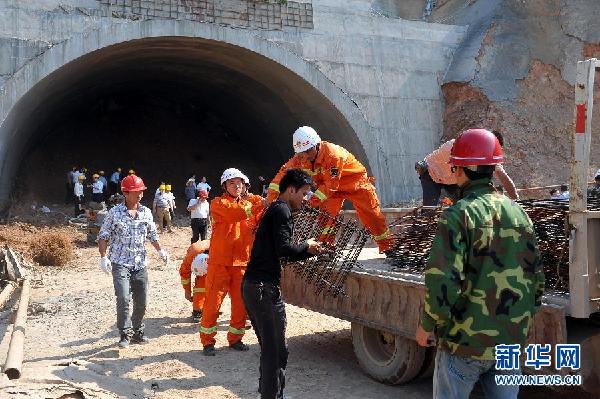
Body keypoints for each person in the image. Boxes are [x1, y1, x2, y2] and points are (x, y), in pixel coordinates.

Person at [415, 128, 544, 399]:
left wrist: (427, 325)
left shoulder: (458, 215)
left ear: (459, 170)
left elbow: (443, 281)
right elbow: (537, 279)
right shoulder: (519, 213)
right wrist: (520, 322)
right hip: (509, 341)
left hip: (464, 344)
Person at [243, 169, 323, 399]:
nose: (306, 198)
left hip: (258, 287)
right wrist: (308, 246)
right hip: (262, 289)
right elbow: (284, 249)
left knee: (276, 349)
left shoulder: (277, 209)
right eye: (305, 193)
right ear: (291, 190)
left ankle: (271, 393)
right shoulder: (282, 210)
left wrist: (308, 251)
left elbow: (282, 252)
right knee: (275, 350)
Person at [266, 126, 393, 253]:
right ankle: (326, 248)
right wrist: (270, 201)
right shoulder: (300, 159)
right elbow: (280, 178)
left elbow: (331, 185)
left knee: (372, 215)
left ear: (317, 145)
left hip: (355, 184)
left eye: (308, 151)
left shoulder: (333, 154)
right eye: (301, 153)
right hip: (328, 189)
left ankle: (387, 246)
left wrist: (311, 202)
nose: (305, 156)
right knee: (325, 218)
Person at [98, 174, 170, 348]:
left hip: (140, 264)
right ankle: (125, 333)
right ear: (125, 193)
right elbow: (103, 235)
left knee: (142, 300)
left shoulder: (145, 212)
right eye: (136, 192)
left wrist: (160, 250)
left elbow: (152, 235)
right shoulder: (114, 213)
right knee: (123, 298)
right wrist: (103, 257)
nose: (140, 195)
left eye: (141, 191)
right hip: (120, 263)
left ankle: (137, 330)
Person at [200, 167, 265, 356]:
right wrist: (262, 203)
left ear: (245, 185)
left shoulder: (251, 202)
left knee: (240, 304)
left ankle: (236, 338)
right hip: (220, 263)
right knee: (213, 303)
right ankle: (207, 341)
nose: (237, 186)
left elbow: (263, 207)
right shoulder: (218, 203)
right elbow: (235, 213)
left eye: (240, 182)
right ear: (224, 186)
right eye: (232, 183)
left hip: (242, 263)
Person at [416, 130, 519, 205]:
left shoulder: (484, 155)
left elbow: (503, 177)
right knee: (429, 211)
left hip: (451, 179)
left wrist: (517, 201)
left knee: (464, 205)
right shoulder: (458, 147)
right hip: (431, 173)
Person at [179, 239, 210, 323]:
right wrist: (187, 291)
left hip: (215, 259)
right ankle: (198, 310)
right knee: (201, 284)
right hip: (199, 256)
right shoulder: (190, 257)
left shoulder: (220, 254)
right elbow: (184, 274)